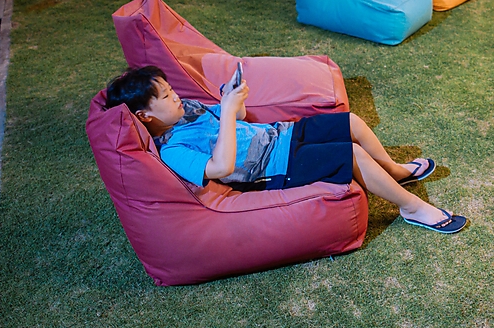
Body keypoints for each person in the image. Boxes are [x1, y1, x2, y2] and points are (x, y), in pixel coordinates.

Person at [104, 65, 467, 234]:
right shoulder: (172, 149)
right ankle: (411, 208)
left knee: (351, 121)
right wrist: (227, 112)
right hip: (272, 168)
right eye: (166, 96)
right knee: (352, 154)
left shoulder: (189, 110)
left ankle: (393, 170)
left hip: (281, 135)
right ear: (145, 116)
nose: (176, 97)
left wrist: (233, 100)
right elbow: (221, 167)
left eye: (171, 90)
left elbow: (238, 117)